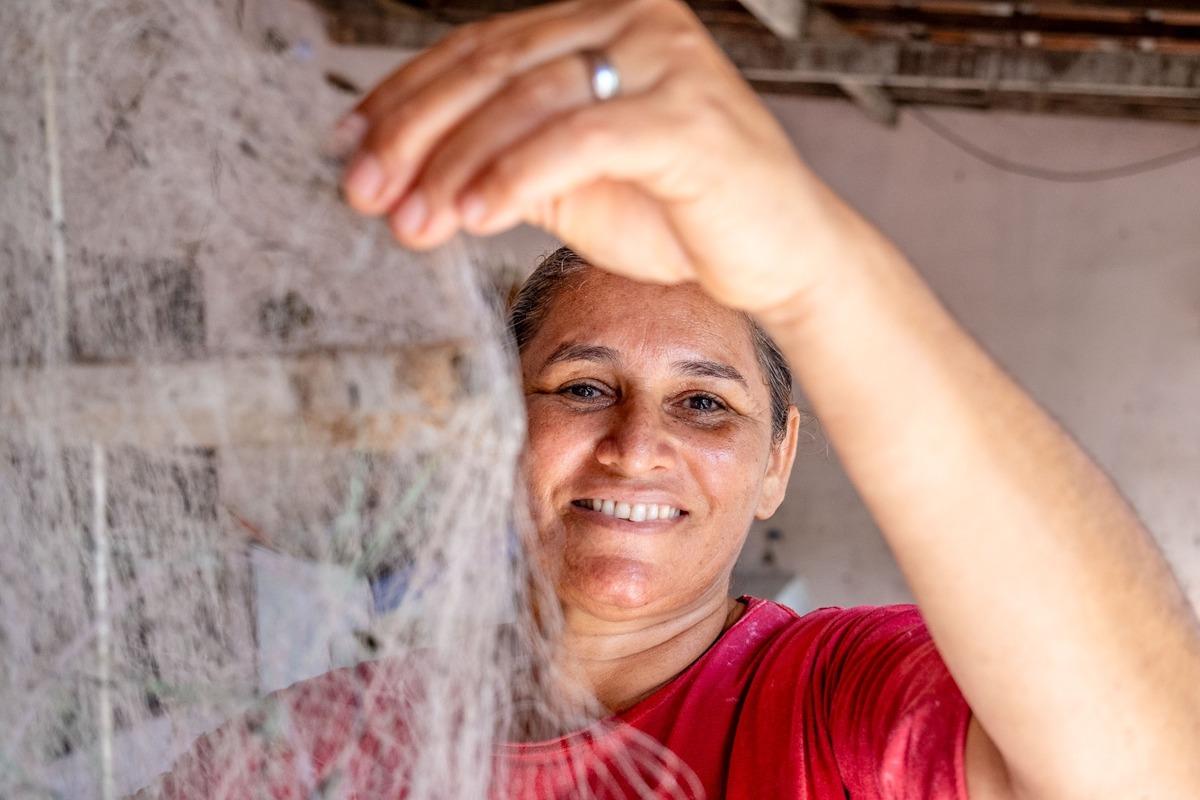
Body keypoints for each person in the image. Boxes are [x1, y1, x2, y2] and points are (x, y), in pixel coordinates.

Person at [149, 0, 1200, 796]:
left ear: (778, 460)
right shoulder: (321, 749)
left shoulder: (836, 697)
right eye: (584, 386)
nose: (634, 443)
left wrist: (817, 271)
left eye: (706, 404)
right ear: (498, 431)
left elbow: (1154, 764)